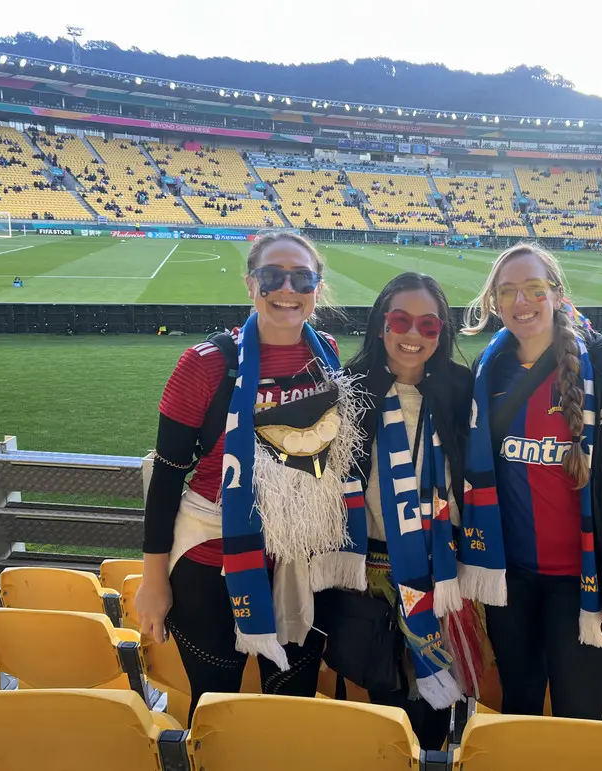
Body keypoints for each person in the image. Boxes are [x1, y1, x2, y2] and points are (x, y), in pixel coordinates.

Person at [135, 231, 365, 722]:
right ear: (250, 284)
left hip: (296, 552)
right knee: (218, 710)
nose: (288, 287)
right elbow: (168, 474)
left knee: (291, 707)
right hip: (211, 551)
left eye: (302, 277)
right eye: (273, 276)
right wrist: (153, 580)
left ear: (317, 288)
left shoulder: (324, 350)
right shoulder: (205, 364)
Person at [458, 243, 602, 720]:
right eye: (507, 291)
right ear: (493, 302)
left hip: (586, 585)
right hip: (509, 582)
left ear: (556, 293)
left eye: (533, 288)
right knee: (519, 709)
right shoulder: (486, 374)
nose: (521, 301)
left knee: (579, 717)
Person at [313, 273, 477, 751]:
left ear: (442, 331)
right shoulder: (350, 388)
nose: (412, 336)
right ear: (381, 325)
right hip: (367, 572)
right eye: (400, 321)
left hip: (441, 569)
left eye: (428, 325)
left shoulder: (460, 388)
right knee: (376, 701)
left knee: (431, 707)